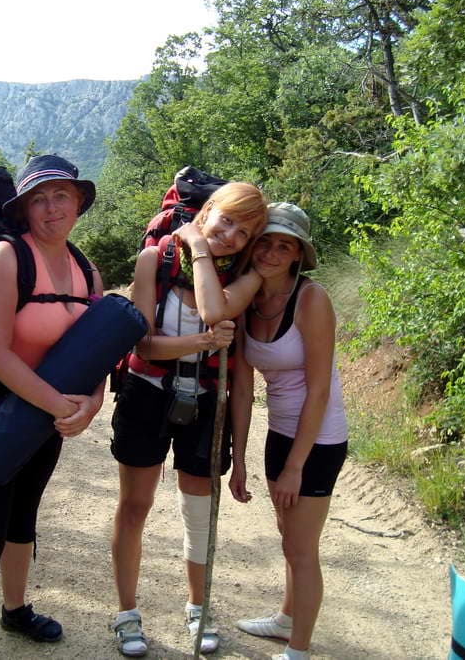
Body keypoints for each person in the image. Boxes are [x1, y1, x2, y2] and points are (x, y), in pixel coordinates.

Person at [0, 155, 105, 659]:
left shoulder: (87, 271)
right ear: (25, 209)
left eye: (61, 196)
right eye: (39, 199)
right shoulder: (7, 257)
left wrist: (92, 403)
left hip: (44, 418)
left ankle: (15, 611)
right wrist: (61, 405)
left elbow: (98, 346)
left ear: (78, 202)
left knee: (23, 516)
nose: (52, 208)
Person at [109, 182, 269, 656]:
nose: (231, 236)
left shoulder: (246, 276)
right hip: (146, 392)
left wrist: (197, 245)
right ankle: (126, 613)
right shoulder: (152, 261)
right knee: (134, 505)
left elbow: (214, 310)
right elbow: (143, 345)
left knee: (198, 510)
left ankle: (199, 607)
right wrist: (202, 342)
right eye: (226, 220)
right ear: (208, 209)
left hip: (207, 398)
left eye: (244, 232)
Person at [231, 202, 348, 660]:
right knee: (288, 536)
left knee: (301, 549)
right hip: (280, 432)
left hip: (318, 440)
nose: (272, 253)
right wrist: (238, 459)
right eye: (266, 242)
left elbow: (319, 391)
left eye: (285, 246)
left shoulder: (311, 300)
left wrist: (296, 467)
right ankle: (285, 619)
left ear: (299, 254)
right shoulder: (247, 301)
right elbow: (243, 390)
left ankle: (297, 651)